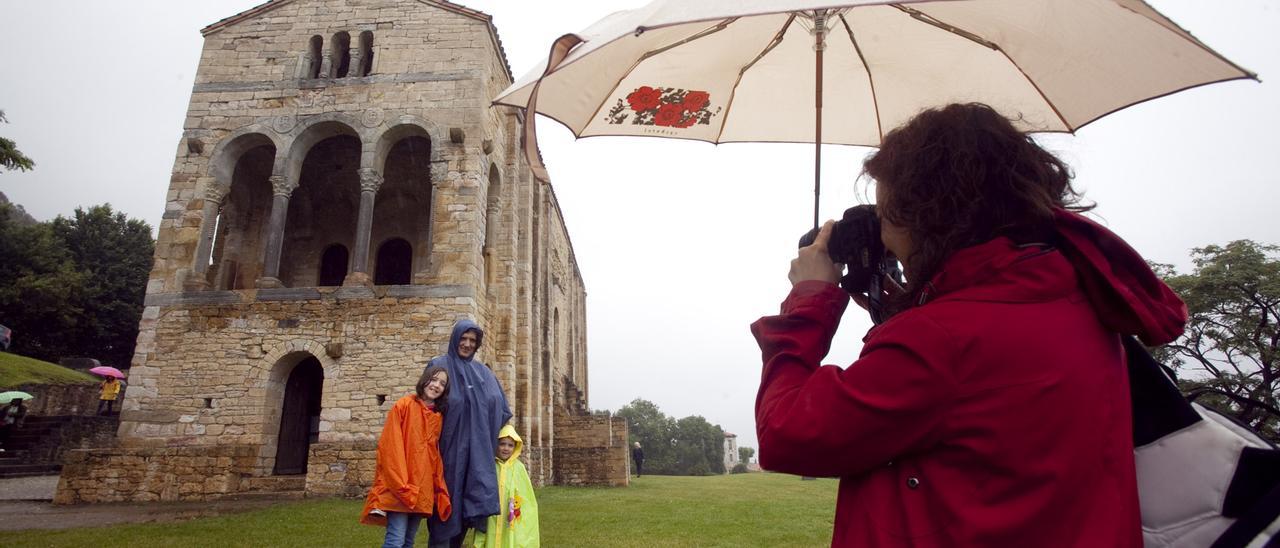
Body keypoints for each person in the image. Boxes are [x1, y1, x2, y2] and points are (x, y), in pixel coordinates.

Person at [752, 103, 1186, 547]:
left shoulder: (941, 339)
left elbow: (787, 435)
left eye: (885, 214)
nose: (882, 233)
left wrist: (810, 300)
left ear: (920, 212)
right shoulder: (1074, 299)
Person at [426, 320, 513, 548]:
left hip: (477, 456)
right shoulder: (439, 366)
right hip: (448, 455)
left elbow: (501, 409)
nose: (466, 344)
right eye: (463, 339)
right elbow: (425, 406)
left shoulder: (483, 372)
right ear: (455, 339)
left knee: (469, 507)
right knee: (444, 510)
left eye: (472, 341)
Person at [361, 366, 453, 548]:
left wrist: (437, 488)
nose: (436, 385)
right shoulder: (403, 406)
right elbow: (391, 448)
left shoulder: (437, 416)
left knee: (408, 541)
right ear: (424, 380)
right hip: (400, 487)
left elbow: (433, 457)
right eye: (434, 380)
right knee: (396, 540)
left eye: (442, 383)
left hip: (422, 489)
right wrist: (401, 486)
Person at [472, 424, 540, 548]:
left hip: (509, 514)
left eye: (510, 445)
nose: (506, 448)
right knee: (490, 536)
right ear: (496, 444)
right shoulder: (490, 465)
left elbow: (527, 497)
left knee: (508, 537)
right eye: (502, 444)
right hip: (491, 514)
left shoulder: (519, 468)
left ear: (515, 447)